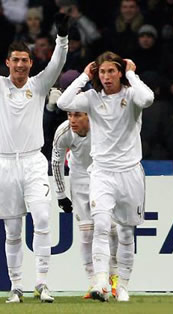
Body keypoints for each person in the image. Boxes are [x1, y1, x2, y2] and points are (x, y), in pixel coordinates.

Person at [0, 14, 69, 303]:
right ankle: (16, 285)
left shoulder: (39, 86)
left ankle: (42, 282)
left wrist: (62, 38)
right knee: (12, 230)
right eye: (15, 60)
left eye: (24, 60)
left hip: (33, 162)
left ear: (30, 63)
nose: (20, 64)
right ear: (7, 63)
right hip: (4, 165)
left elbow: (57, 64)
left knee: (42, 218)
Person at [57, 52, 154, 302]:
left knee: (125, 232)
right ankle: (101, 282)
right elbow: (63, 103)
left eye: (111, 71)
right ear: (96, 74)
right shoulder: (91, 98)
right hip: (101, 173)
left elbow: (148, 98)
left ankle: (122, 285)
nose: (107, 76)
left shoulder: (131, 94)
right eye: (102, 72)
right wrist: (83, 77)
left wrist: (132, 73)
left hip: (130, 172)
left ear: (119, 72)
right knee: (100, 226)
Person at [51, 111, 119, 299]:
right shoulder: (63, 132)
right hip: (79, 178)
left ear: (89, 115)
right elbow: (56, 162)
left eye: (78, 115)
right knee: (87, 232)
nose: (72, 120)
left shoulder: (102, 126)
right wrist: (60, 194)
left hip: (103, 175)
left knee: (110, 229)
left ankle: (114, 278)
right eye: (69, 115)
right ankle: (95, 282)